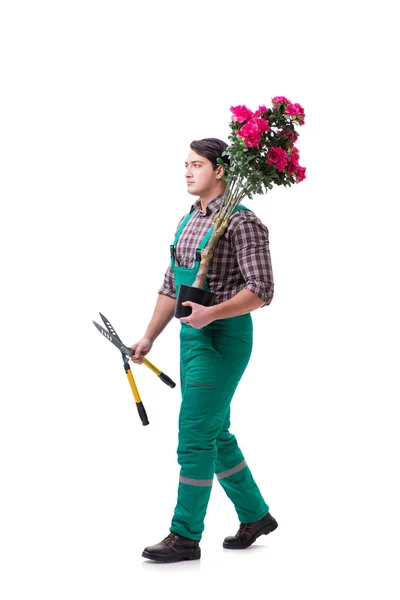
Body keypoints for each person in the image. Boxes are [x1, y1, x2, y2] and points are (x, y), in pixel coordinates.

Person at [131, 137, 278, 563]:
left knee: (195, 434)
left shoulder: (241, 222)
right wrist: (148, 337)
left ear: (221, 171)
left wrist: (212, 314)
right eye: (186, 164)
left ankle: (185, 536)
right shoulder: (188, 221)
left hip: (223, 338)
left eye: (197, 164)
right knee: (214, 430)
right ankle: (255, 515)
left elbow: (262, 291)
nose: (188, 171)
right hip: (189, 335)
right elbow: (170, 286)